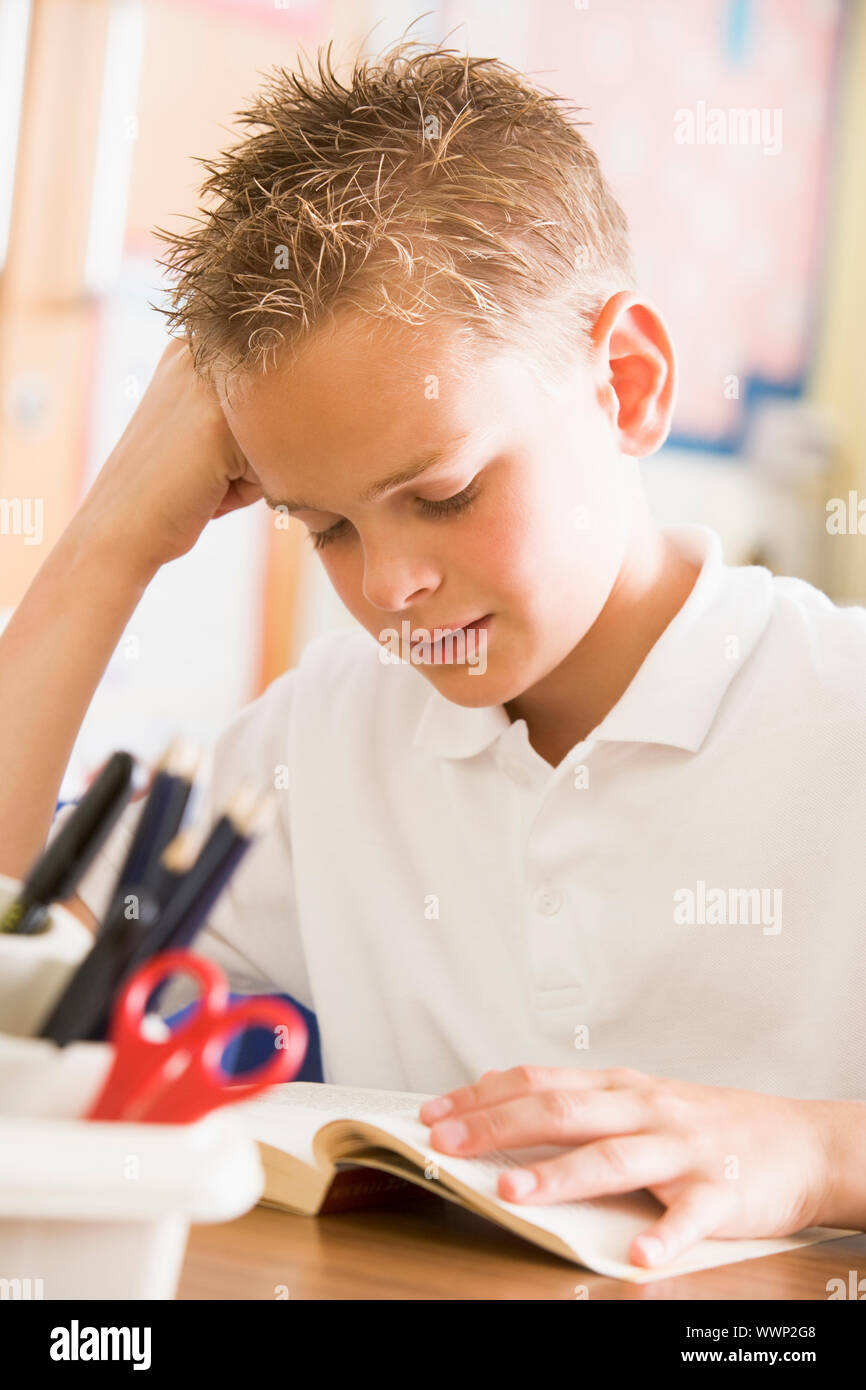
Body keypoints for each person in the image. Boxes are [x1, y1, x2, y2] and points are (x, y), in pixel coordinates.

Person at [1, 40, 864, 1269]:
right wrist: (106, 543)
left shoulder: (840, 711)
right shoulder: (324, 743)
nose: (388, 584)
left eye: (443, 494)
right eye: (328, 526)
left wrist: (820, 1153)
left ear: (623, 384)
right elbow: (13, 942)